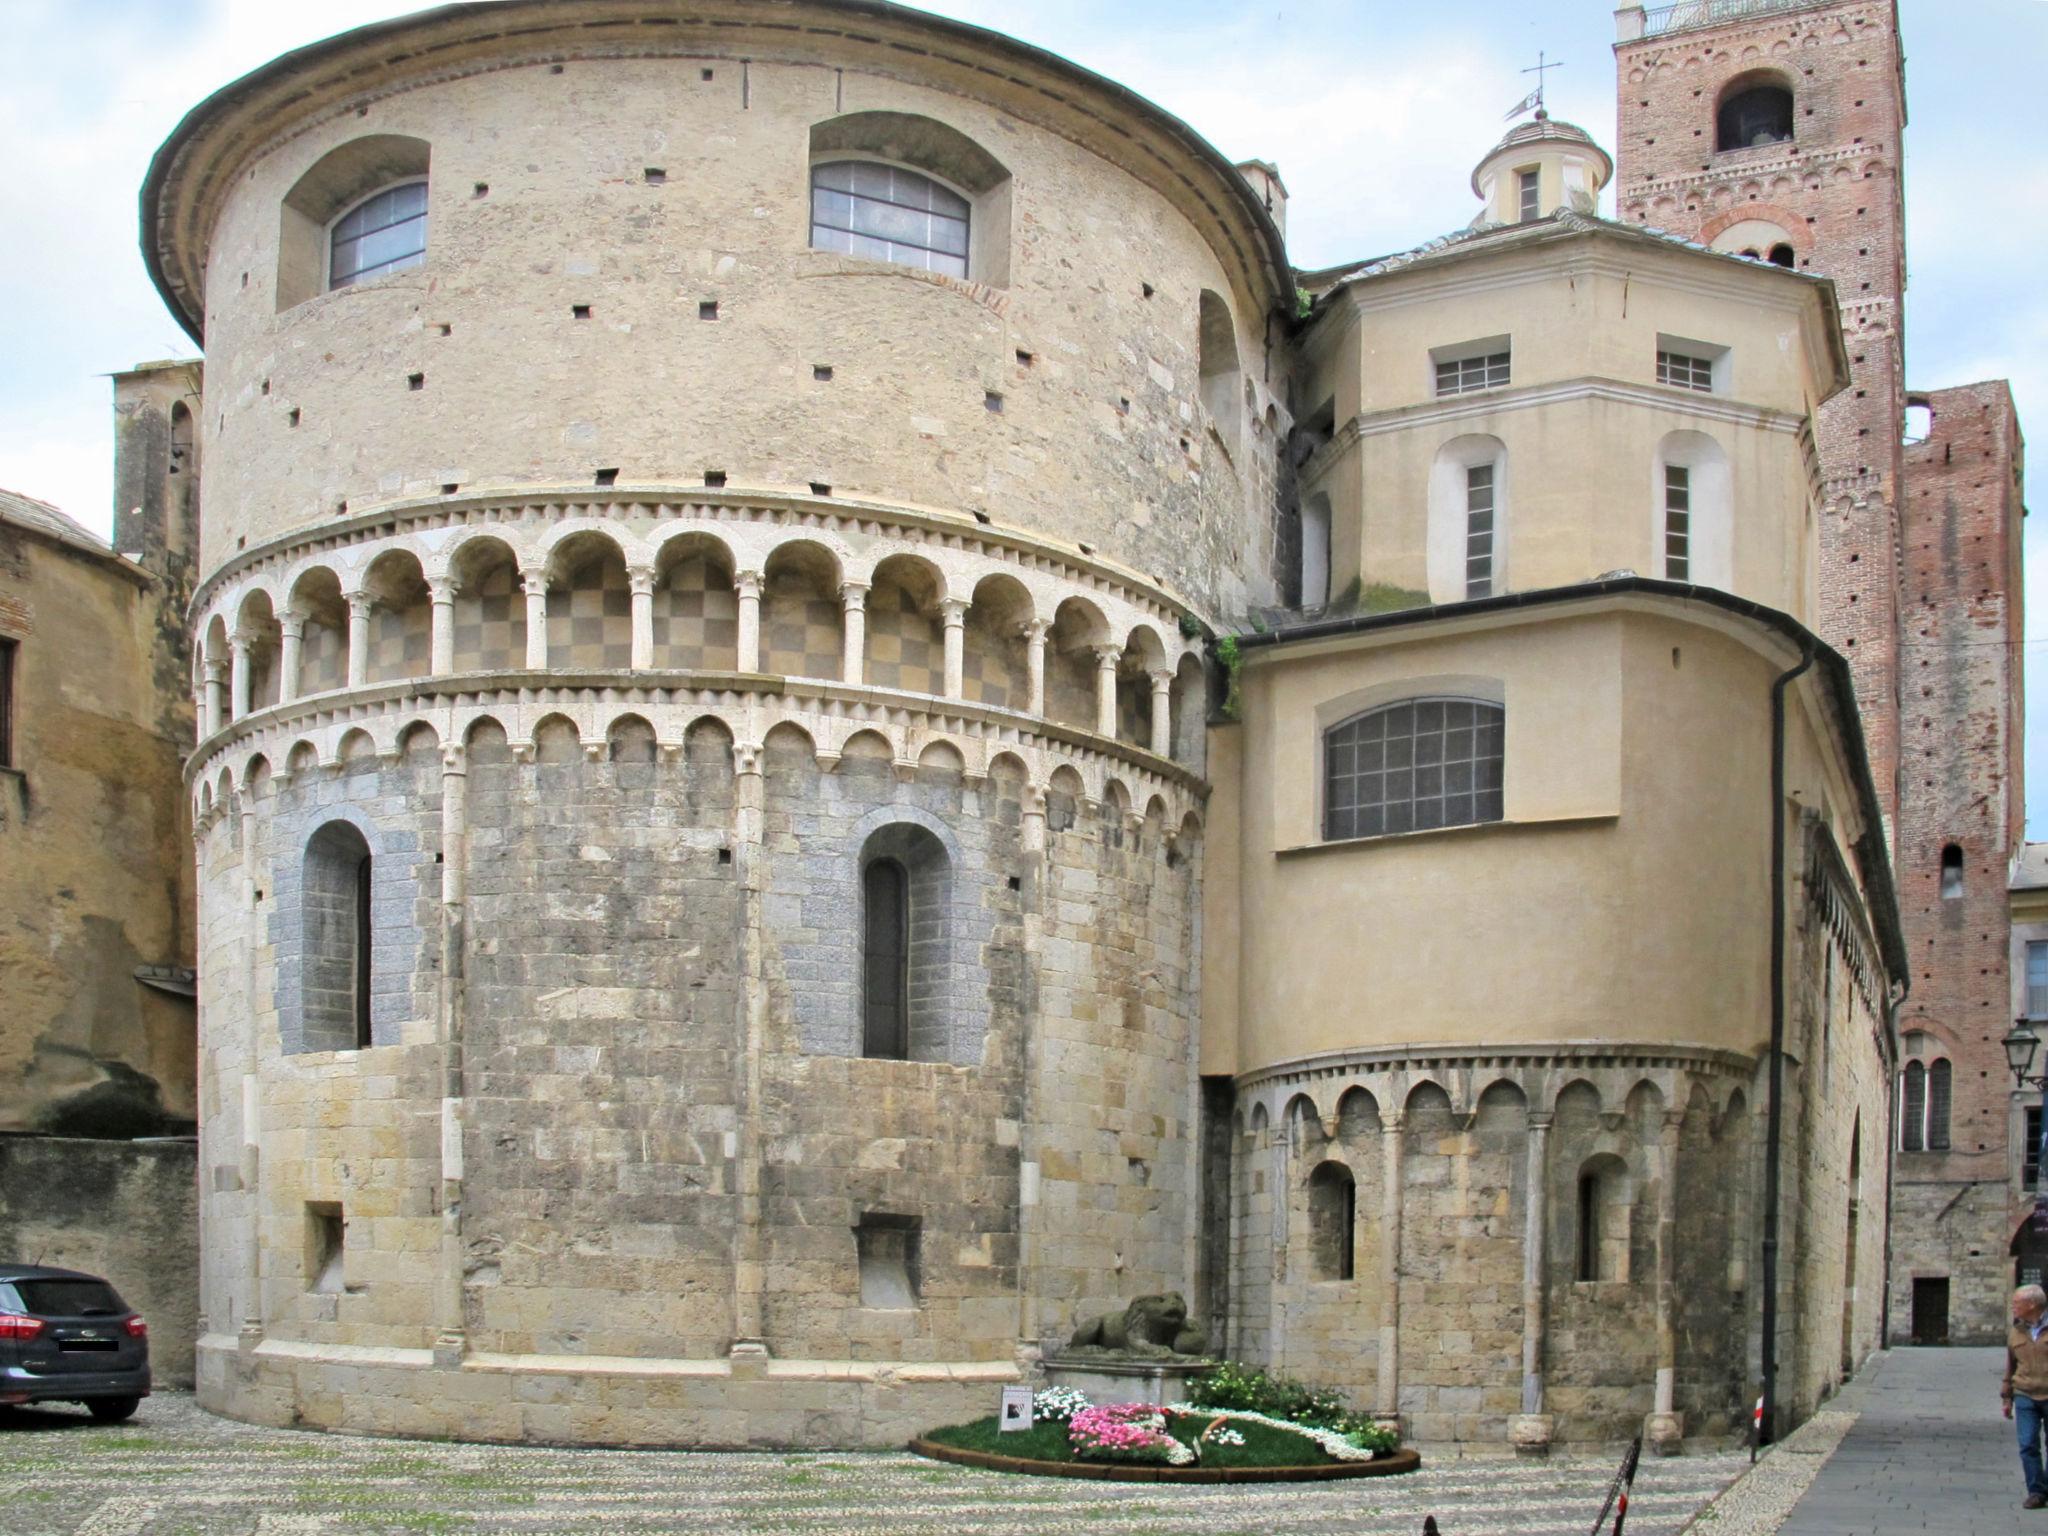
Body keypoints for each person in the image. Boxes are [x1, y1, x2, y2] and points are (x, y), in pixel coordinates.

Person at [2004, 1284, 2048, 1509]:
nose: (2013, 1306)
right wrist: (2006, 1396)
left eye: (2017, 1302)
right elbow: (2010, 1365)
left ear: (2032, 1304)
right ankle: (2036, 1492)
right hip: (2024, 1394)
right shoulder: (2016, 1331)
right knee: (2028, 1444)